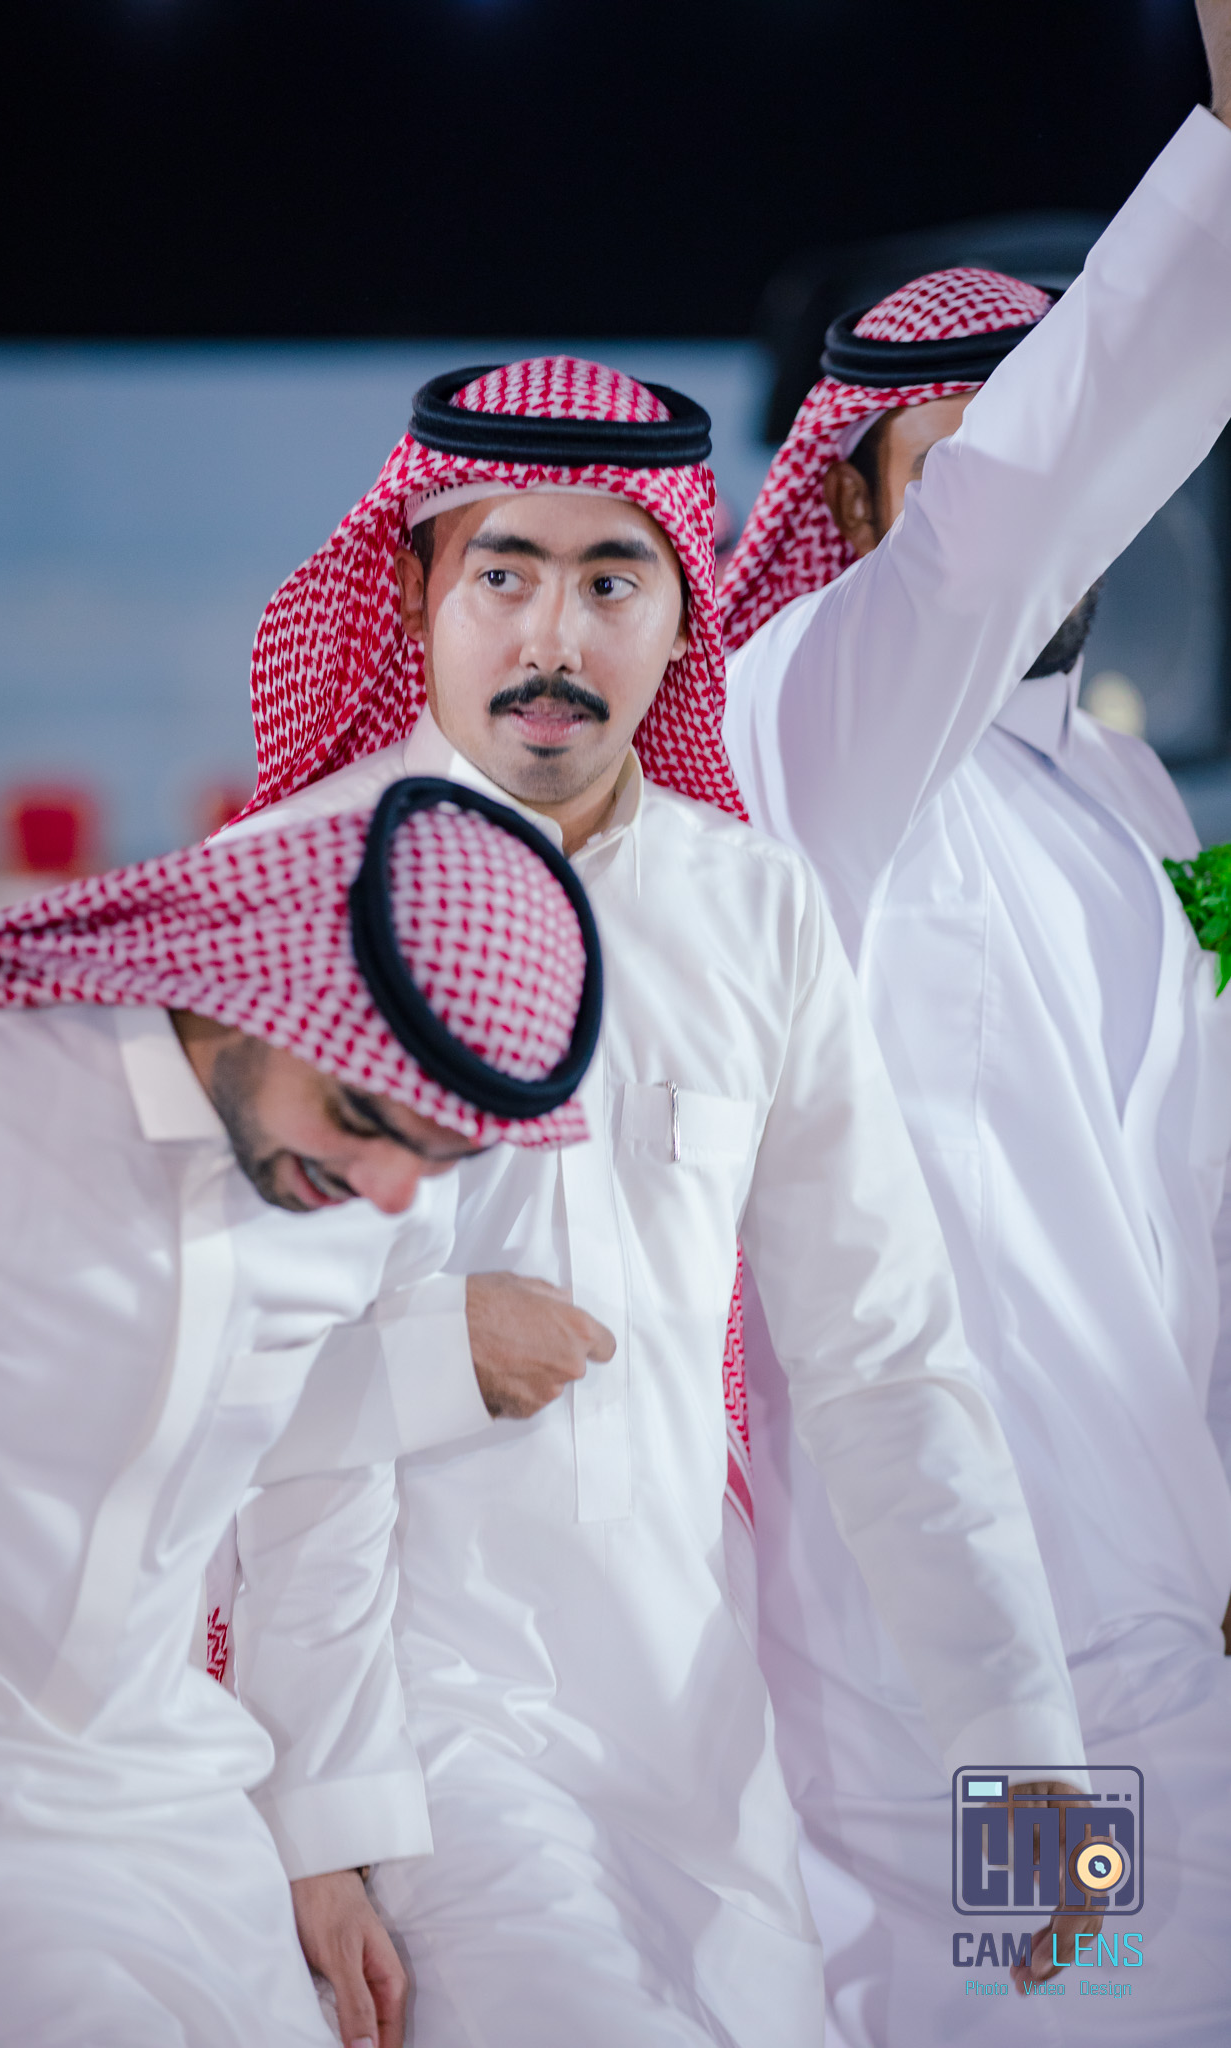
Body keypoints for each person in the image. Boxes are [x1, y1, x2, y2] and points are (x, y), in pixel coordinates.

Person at [217, 354, 1091, 2048]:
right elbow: (236, 1401)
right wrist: (322, 1822)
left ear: (687, 616)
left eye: (611, 581)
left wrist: (1027, 1759)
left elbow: (888, 1360)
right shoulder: (304, 892)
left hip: (700, 1742)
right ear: (414, 594)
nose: (553, 637)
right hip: (432, 1741)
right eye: (503, 575)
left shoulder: (754, 910)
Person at [719, 23, 1231, 2044]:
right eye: (960, 457)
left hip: (1162, 1599)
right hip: (982, 1654)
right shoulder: (816, 726)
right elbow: (1001, 529)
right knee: (1058, 2017)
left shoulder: (1127, 801)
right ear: (856, 500)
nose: (1044, 512)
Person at [0, 780, 604, 2048]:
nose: (391, 1192)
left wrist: (321, 1838)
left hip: (182, 1813)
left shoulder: (369, 1193)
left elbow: (306, 1489)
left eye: (440, 1155)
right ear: (265, 983)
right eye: (363, 1118)